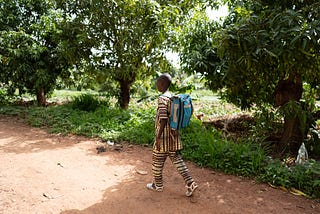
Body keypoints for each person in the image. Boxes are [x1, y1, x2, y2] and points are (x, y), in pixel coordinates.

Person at [146, 73, 198, 197]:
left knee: (157, 161)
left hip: (163, 137)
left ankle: (157, 185)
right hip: (173, 135)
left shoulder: (162, 98)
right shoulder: (173, 97)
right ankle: (191, 182)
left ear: (163, 84)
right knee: (177, 160)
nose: (156, 84)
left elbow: (163, 119)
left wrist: (158, 137)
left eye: (158, 82)